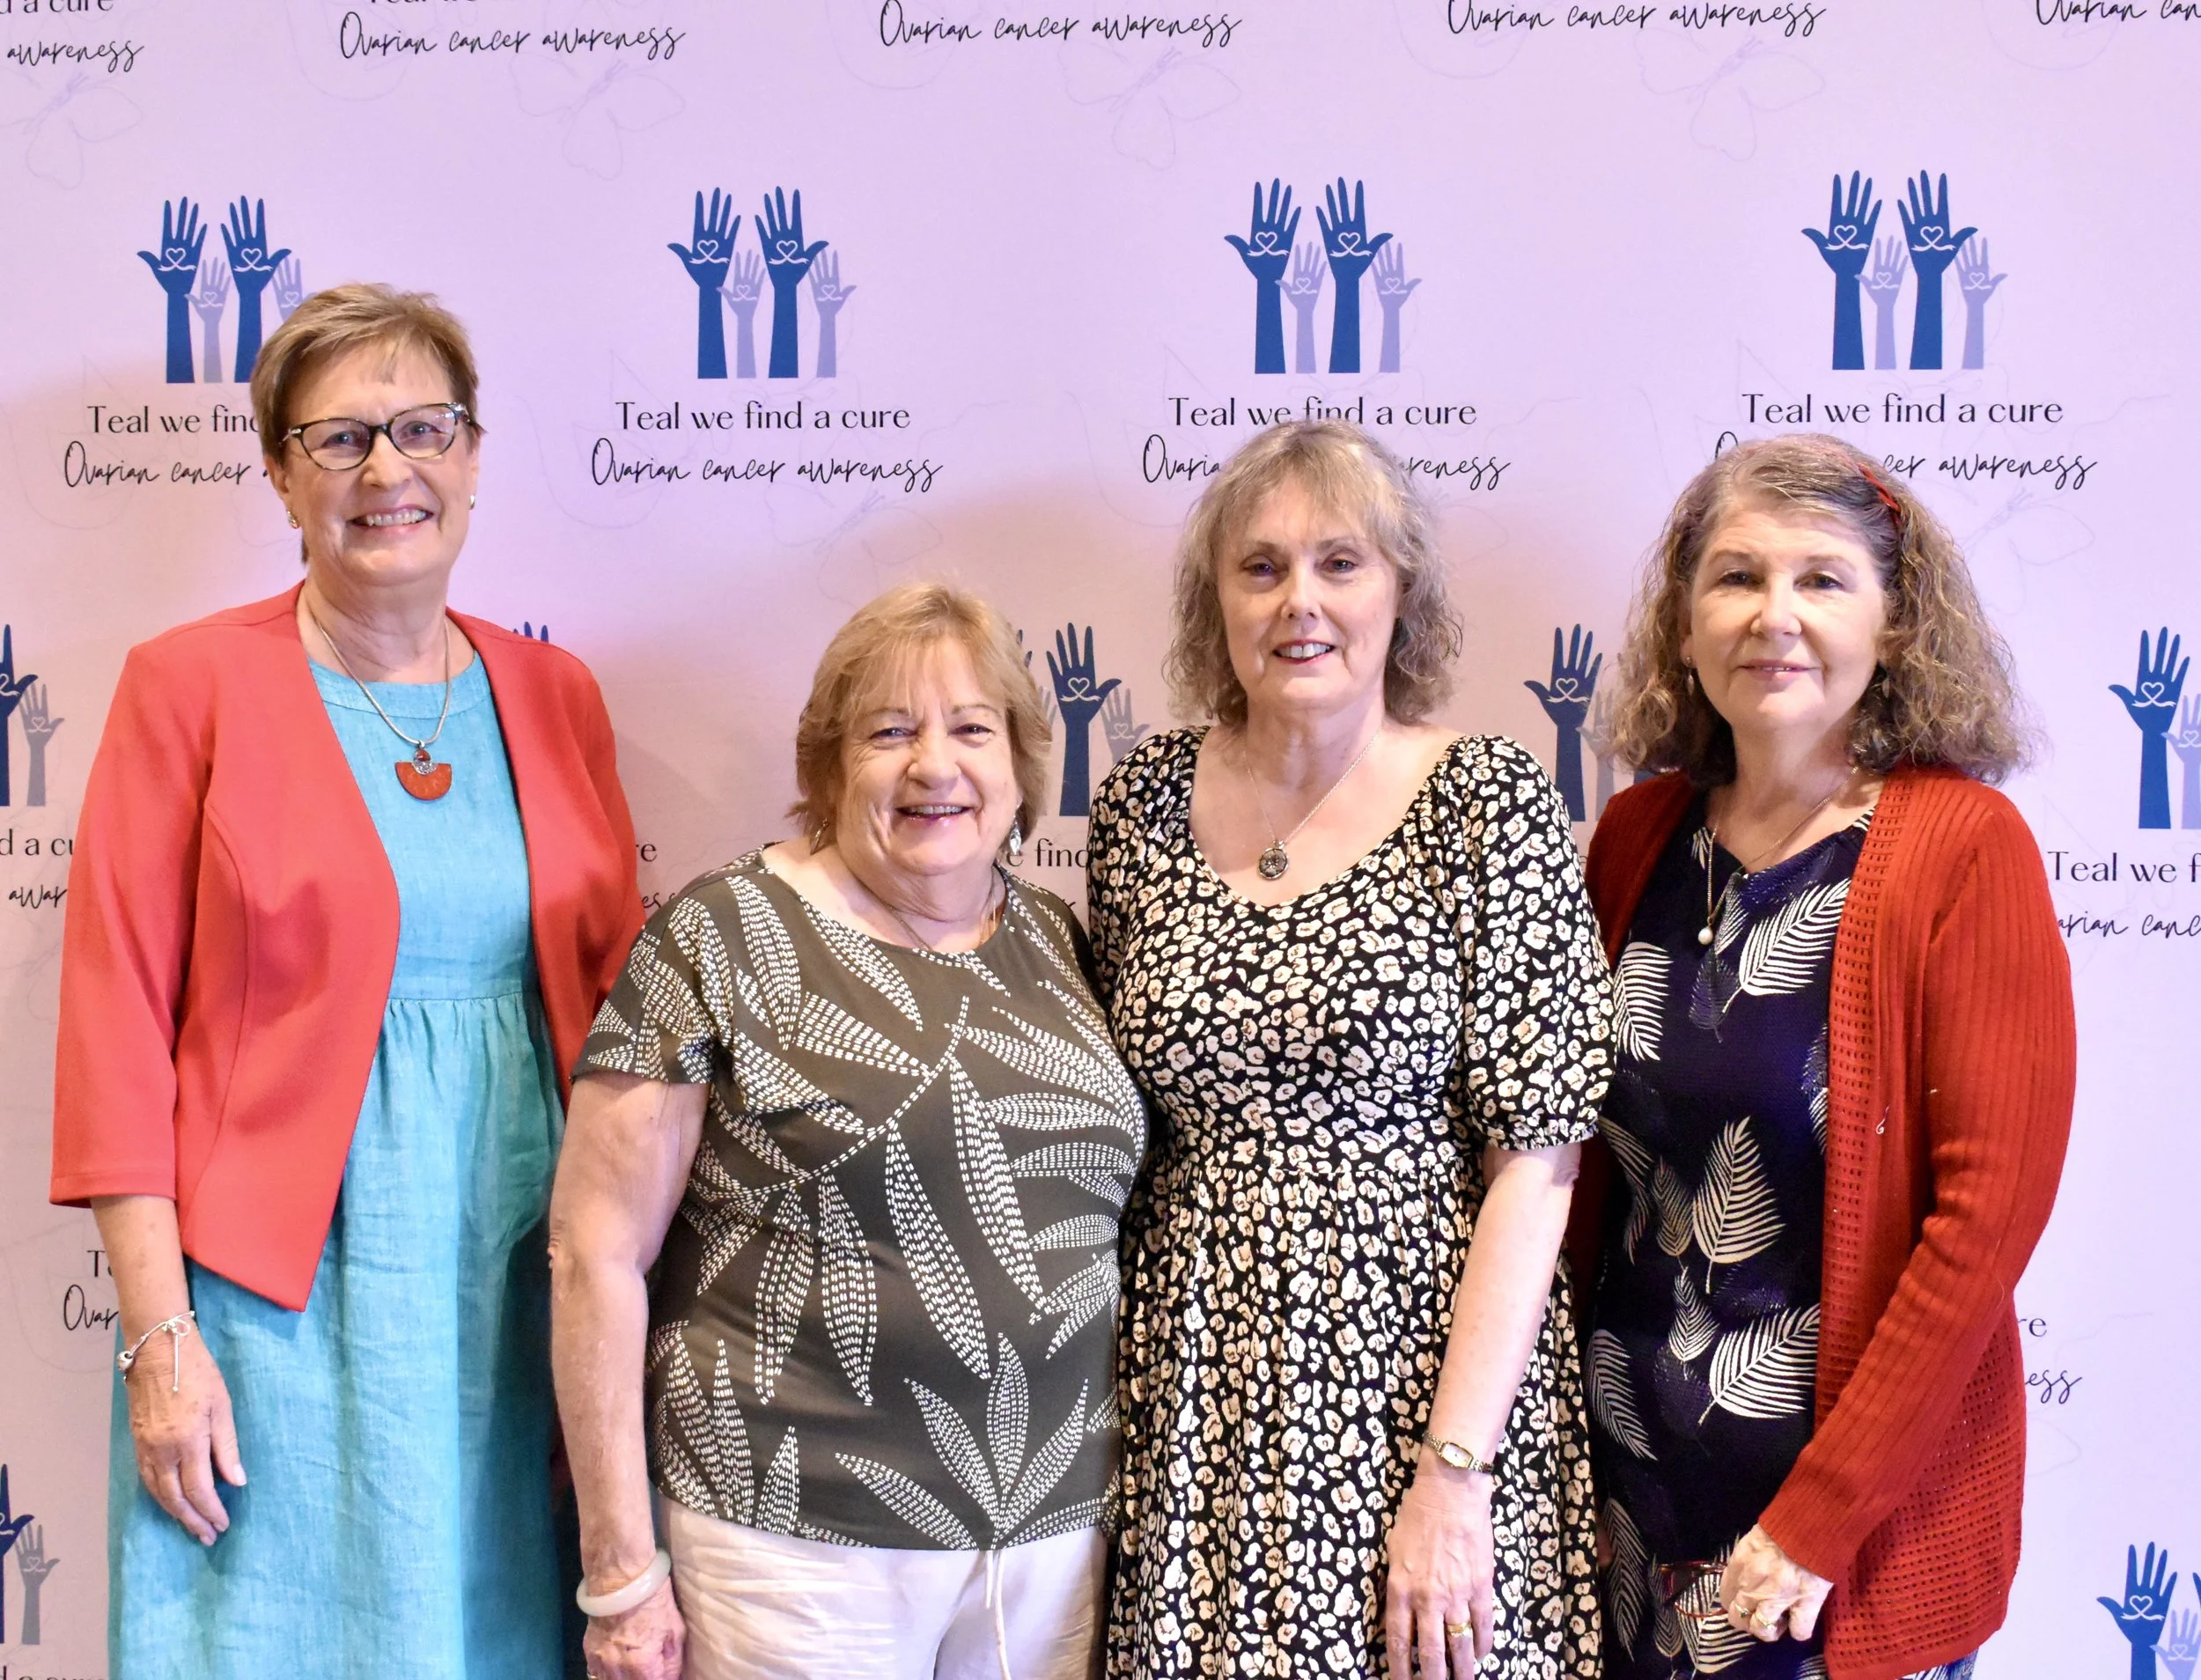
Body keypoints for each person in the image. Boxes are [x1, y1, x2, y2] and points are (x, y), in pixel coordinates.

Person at [49, 284, 643, 1676]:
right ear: (278, 470)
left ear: (476, 455)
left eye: (424, 429)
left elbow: (627, 1018)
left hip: (519, 1290)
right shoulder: (184, 686)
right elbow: (119, 1029)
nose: (390, 471)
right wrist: (158, 1344)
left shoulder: (559, 698)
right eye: (340, 439)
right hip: (272, 1310)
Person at [1086, 420, 1614, 1679]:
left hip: (1426, 1398)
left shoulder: (1487, 802)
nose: (1299, 602)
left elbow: (1538, 1167)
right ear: (1213, 602)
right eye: (1260, 568)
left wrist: (1455, 1478)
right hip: (1195, 1392)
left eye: (1341, 563)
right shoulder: (1140, 802)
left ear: (1403, 595)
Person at [550, 582, 1146, 1680]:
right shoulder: (718, 935)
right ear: (827, 770)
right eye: (890, 731)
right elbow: (595, 1255)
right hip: (792, 1545)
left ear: (1020, 765)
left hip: (1049, 1547)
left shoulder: (1057, 945)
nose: (935, 766)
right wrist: (622, 1574)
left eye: (972, 729)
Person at [1579, 433, 2074, 1680]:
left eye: (1822, 581)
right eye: (1736, 579)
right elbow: (1573, 1171)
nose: (1773, 618)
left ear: (1897, 627)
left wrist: (1819, 1522)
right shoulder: (1635, 838)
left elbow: (1982, 1225)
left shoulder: (1965, 849)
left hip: (1828, 1542)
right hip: (1623, 1507)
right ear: (1684, 625)